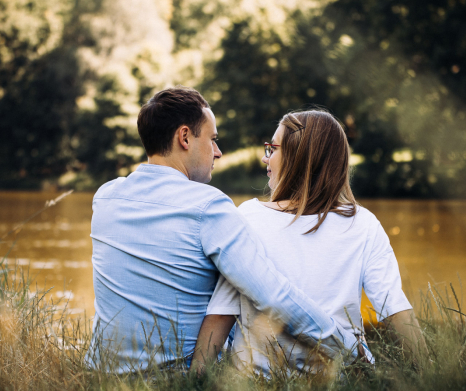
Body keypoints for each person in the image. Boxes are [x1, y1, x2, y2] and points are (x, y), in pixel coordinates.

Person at [85, 87, 362, 373]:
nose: (218, 152)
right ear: (184, 137)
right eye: (213, 139)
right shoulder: (208, 206)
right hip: (168, 383)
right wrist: (351, 351)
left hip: (99, 373)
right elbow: (273, 296)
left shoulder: (105, 197)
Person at [193, 110, 427, 375]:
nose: (264, 157)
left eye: (272, 148)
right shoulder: (362, 223)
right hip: (336, 380)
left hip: (259, 383)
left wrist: (196, 377)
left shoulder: (248, 217)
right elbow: (394, 309)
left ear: (298, 156)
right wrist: (427, 375)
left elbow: (222, 311)